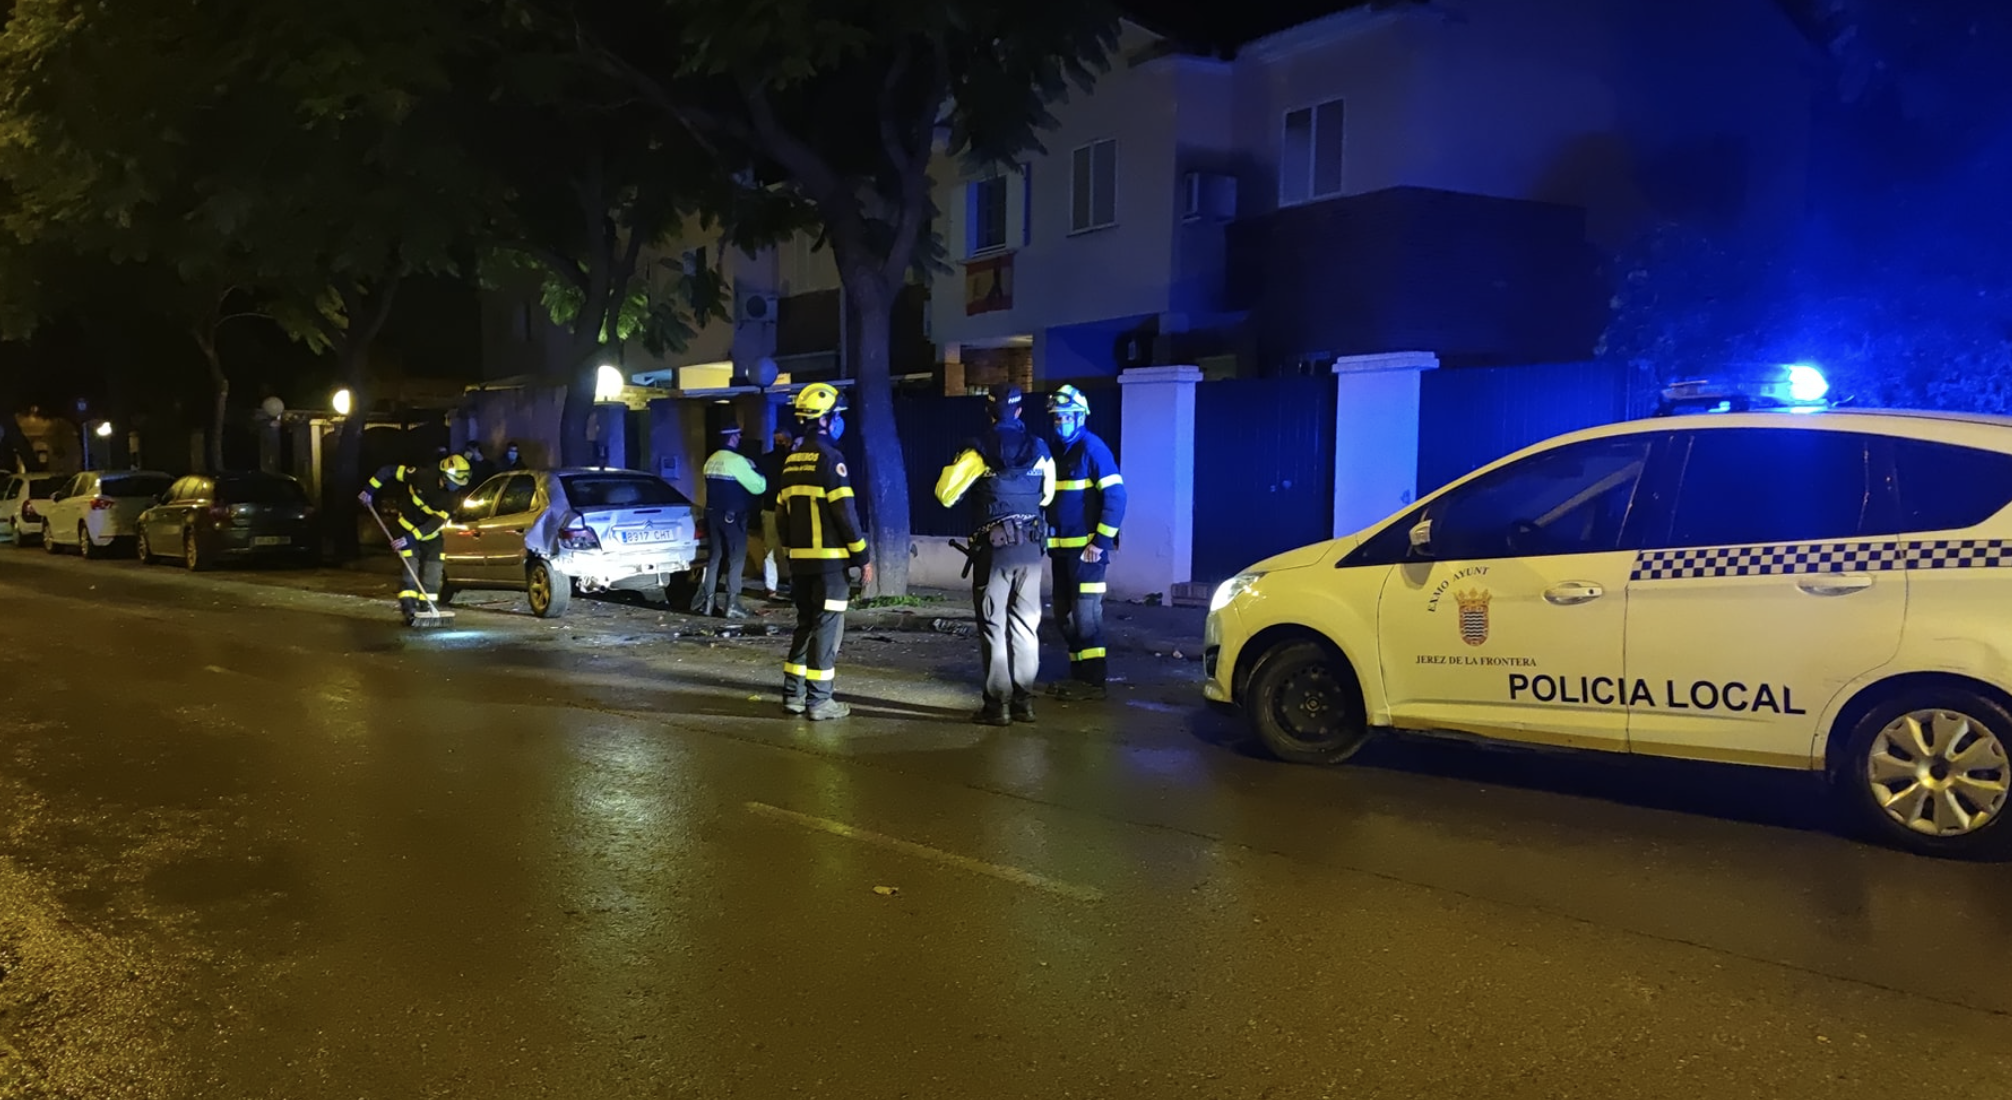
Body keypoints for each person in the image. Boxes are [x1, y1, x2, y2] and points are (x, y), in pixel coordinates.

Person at [936, 386, 1055, 726]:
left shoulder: (978, 450)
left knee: (993, 625)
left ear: (989, 413)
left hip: (994, 550)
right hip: (1031, 549)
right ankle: (1024, 702)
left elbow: (944, 495)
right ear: (1019, 412)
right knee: (1026, 626)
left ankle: (997, 705)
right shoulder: (1040, 449)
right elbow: (1046, 497)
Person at [777, 383, 869, 721]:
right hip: (830, 565)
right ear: (827, 420)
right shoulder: (832, 460)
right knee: (828, 629)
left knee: (805, 624)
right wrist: (862, 557)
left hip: (800, 563)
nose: (841, 422)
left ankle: (793, 694)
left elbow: (781, 515)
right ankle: (820, 701)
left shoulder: (791, 462)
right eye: (838, 416)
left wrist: (789, 552)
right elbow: (845, 513)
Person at [1044, 384, 1127, 701]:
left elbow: (1116, 496)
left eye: (1067, 416)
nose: (1061, 422)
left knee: (1086, 615)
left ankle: (1092, 682)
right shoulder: (1058, 451)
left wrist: (1100, 542)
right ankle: (1079, 674)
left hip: (1087, 554)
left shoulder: (1093, 449)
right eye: (1056, 417)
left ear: (1080, 417)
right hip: (1061, 551)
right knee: (1064, 615)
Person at [359, 454, 471, 625]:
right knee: (410, 575)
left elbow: (434, 524)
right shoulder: (421, 475)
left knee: (433, 575)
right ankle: (409, 609)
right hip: (407, 527)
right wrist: (369, 490)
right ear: (444, 476)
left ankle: (428, 607)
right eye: (454, 481)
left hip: (430, 536)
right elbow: (388, 470)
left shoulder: (453, 499)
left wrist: (409, 539)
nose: (456, 486)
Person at [692, 422, 766, 618]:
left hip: (712, 515)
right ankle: (732, 604)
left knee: (715, 558)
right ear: (733, 438)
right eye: (738, 437)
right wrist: (755, 469)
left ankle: (708, 604)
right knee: (736, 558)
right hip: (732, 517)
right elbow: (759, 487)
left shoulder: (711, 460)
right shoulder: (736, 461)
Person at [757, 428, 795, 601]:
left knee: (770, 551)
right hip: (789, 511)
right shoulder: (793, 461)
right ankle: (795, 586)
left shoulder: (765, 461)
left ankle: (771, 587)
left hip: (771, 509)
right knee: (792, 551)